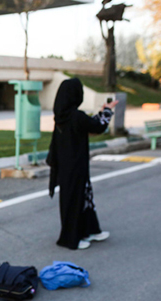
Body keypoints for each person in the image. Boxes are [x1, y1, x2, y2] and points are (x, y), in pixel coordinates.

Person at [46, 78, 118, 250]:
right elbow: (98, 127)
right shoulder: (76, 116)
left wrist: (102, 113)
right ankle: (69, 239)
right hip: (74, 167)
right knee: (74, 201)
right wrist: (107, 112)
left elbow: (89, 124)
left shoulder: (63, 116)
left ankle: (90, 230)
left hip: (69, 166)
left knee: (85, 198)